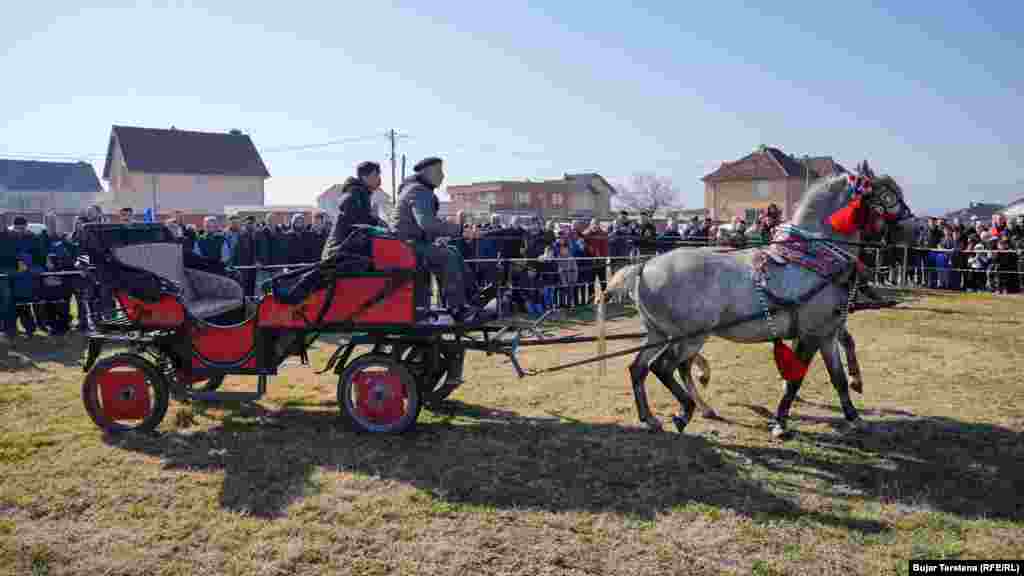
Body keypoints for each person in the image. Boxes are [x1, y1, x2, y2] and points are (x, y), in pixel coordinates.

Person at [391, 156, 477, 323]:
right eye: (439, 171)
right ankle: (457, 308)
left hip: (408, 243)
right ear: (426, 172)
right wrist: (460, 230)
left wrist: (438, 239)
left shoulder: (415, 189)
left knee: (451, 251)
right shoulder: (419, 190)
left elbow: (420, 226)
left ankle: (470, 298)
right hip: (406, 245)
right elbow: (426, 223)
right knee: (447, 256)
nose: (443, 176)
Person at [321, 161, 386, 262]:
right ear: (365, 176)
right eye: (376, 175)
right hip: (338, 252)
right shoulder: (354, 194)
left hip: (347, 251)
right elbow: (356, 221)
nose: (379, 179)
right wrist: (376, 222)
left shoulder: (362, 194)